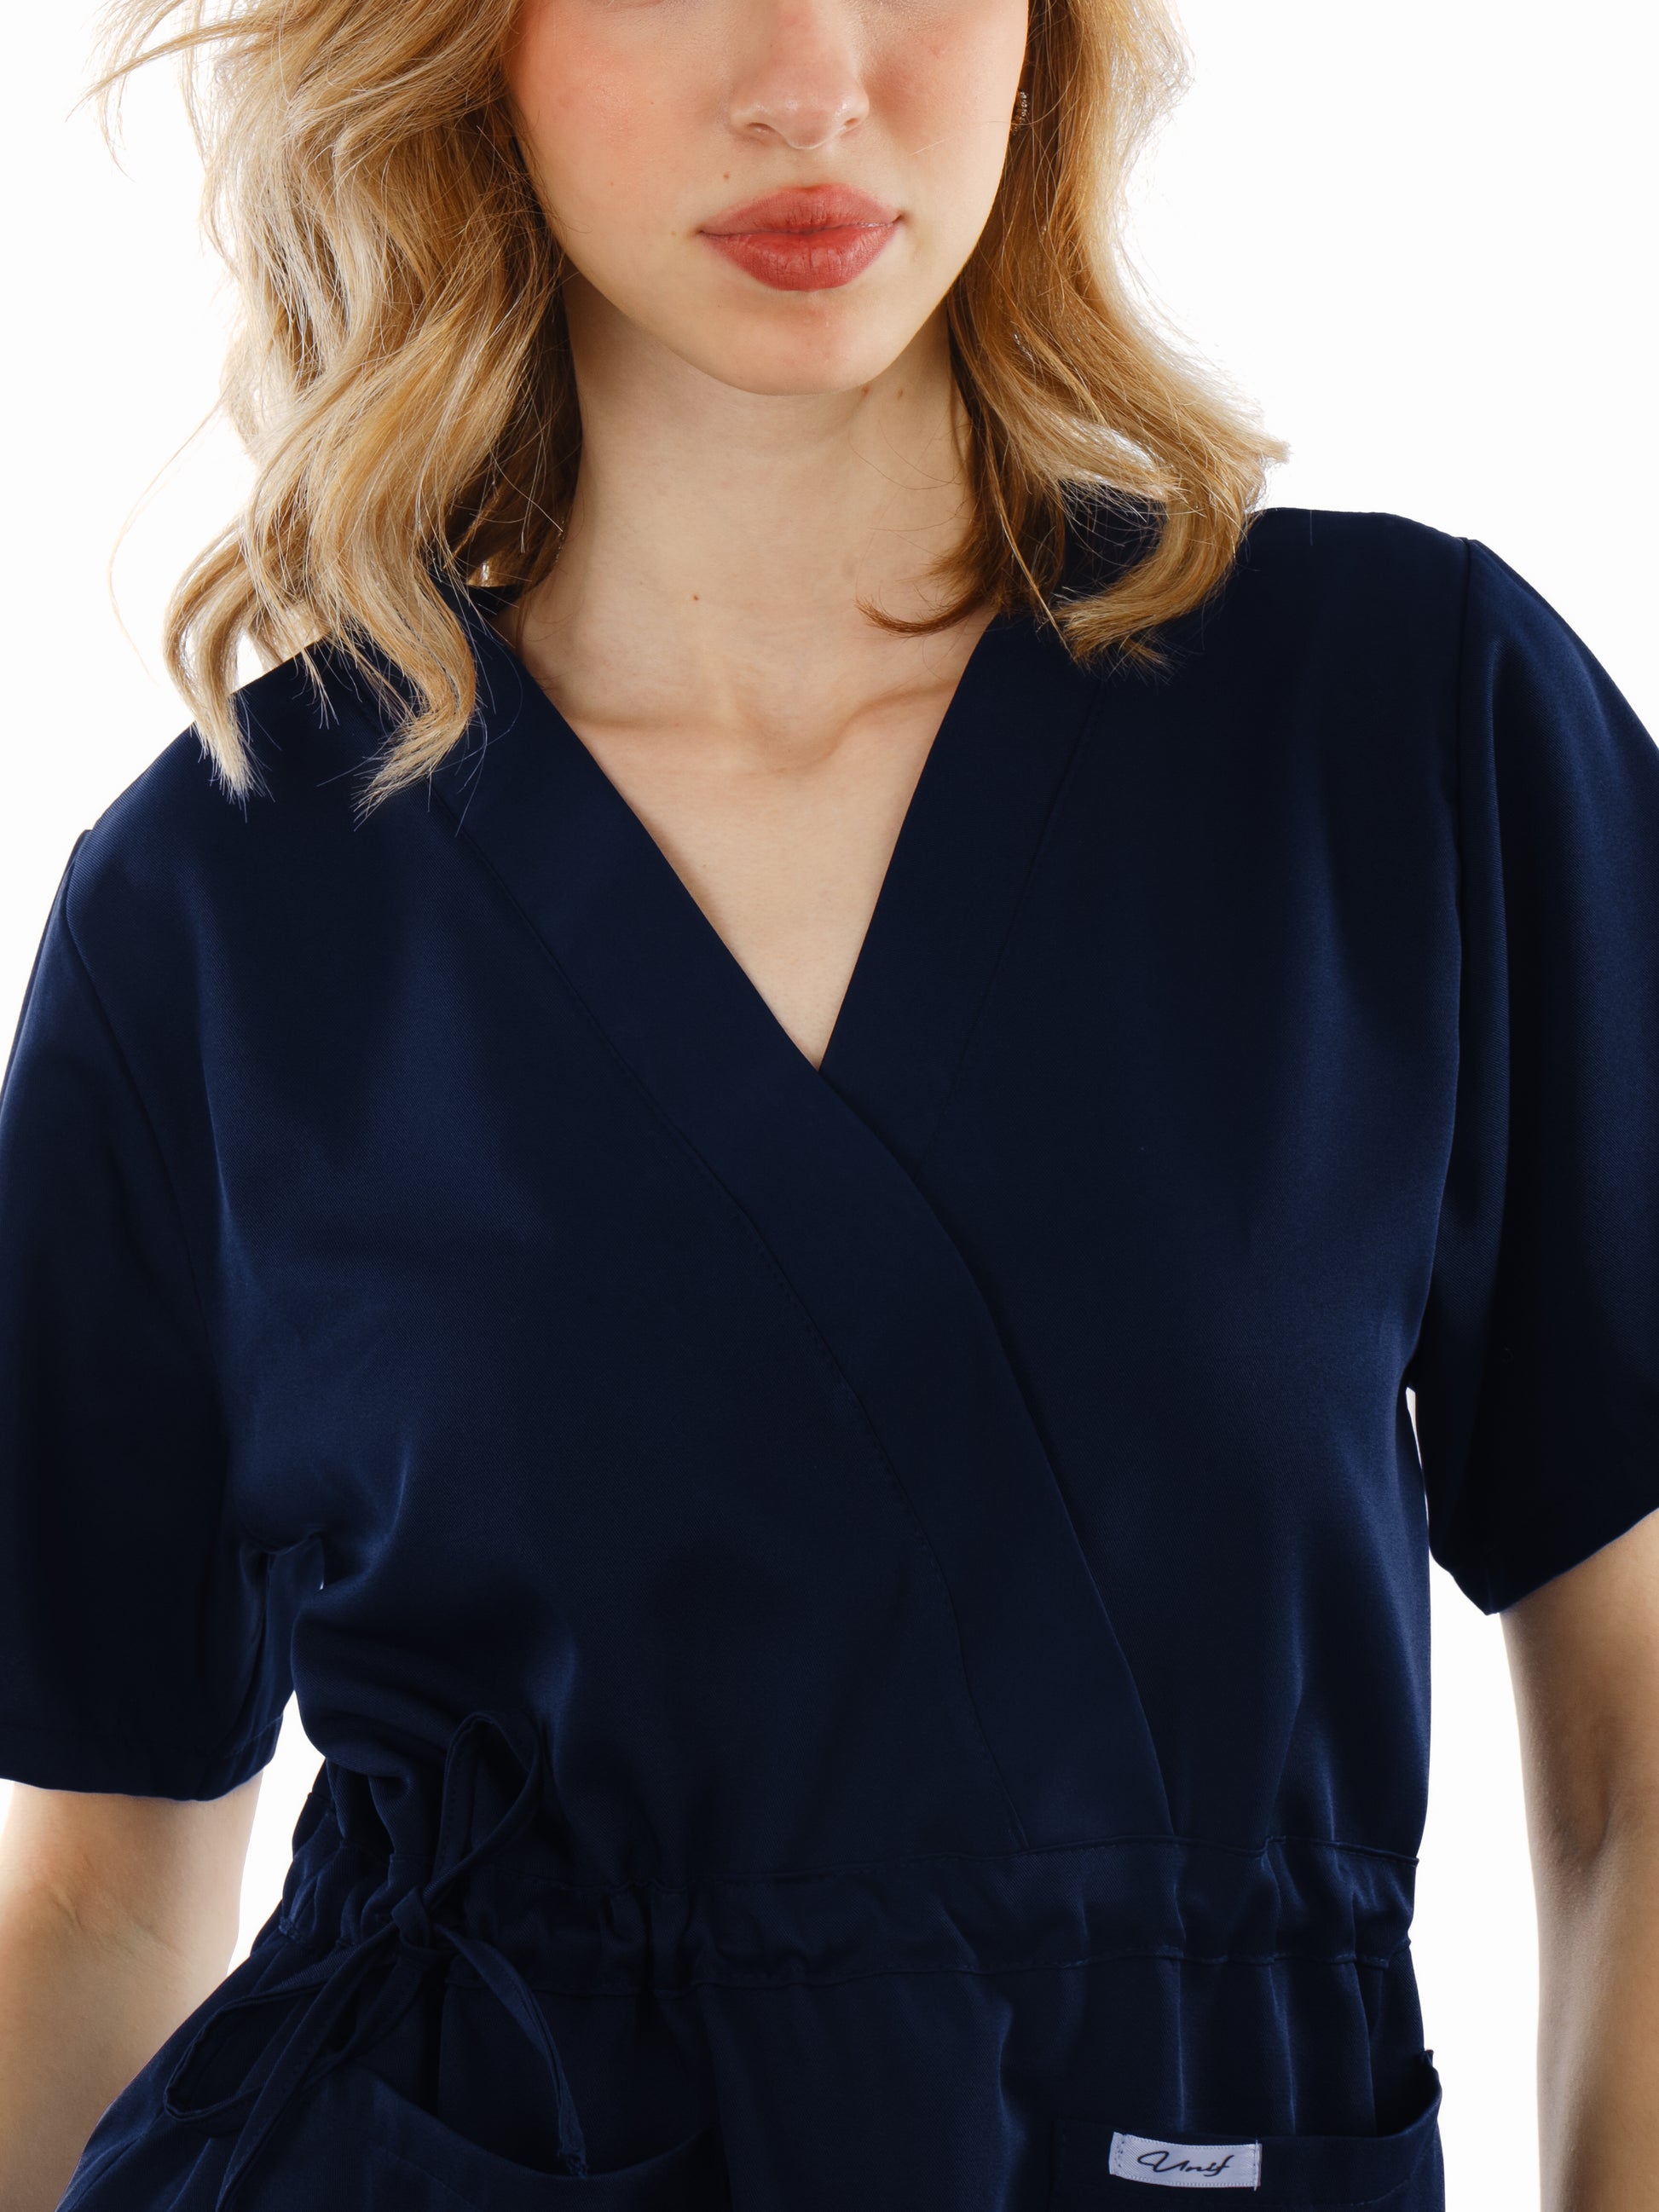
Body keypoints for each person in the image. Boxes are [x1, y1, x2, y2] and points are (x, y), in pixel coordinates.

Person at [1, 0, 1656, 2203]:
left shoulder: (1402, 731)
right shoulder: (219, 898)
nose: (810, 76)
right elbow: (104, 1899)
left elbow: (1637, 1763)